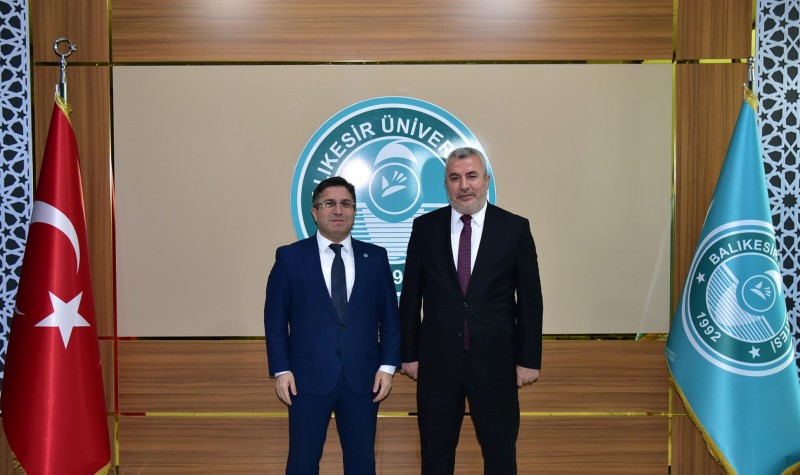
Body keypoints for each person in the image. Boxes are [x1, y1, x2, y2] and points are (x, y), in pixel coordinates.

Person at [399, 147, 543, 474]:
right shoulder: (424, 228)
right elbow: (410, 296)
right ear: (446, 185)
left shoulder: (514, 228)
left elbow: (530, 300)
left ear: (486, 180)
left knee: (500, 457)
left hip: (497, 365)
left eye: (471, 176)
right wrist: (408, 354)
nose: (464, 185)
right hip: (437, 366)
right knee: (435, 459)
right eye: (455, 178)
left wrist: (528, 359)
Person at [264, 176, 401, 475]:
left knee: (362, 463)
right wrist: (282, 370)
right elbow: (275, 319)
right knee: (302, 462)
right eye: (329, 204)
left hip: (364, 380)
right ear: (315, 212)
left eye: (346, 204)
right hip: (305, 379)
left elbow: (390, 317)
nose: (338, 210)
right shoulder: (290, 257)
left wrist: (387, 367)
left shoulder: (375, 257)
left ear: (354, 211)